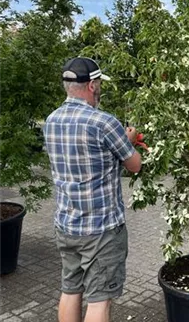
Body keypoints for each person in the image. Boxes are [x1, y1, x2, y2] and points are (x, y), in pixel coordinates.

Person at [43, 57, 142, 322]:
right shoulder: (103, 122)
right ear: (91, 86)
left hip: (67, 225)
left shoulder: (51, 121)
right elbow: (134, 165)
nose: (99, 89)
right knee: (99, 300)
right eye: (98, 84)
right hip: (101, 229)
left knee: (70, 290)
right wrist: (128, 139)